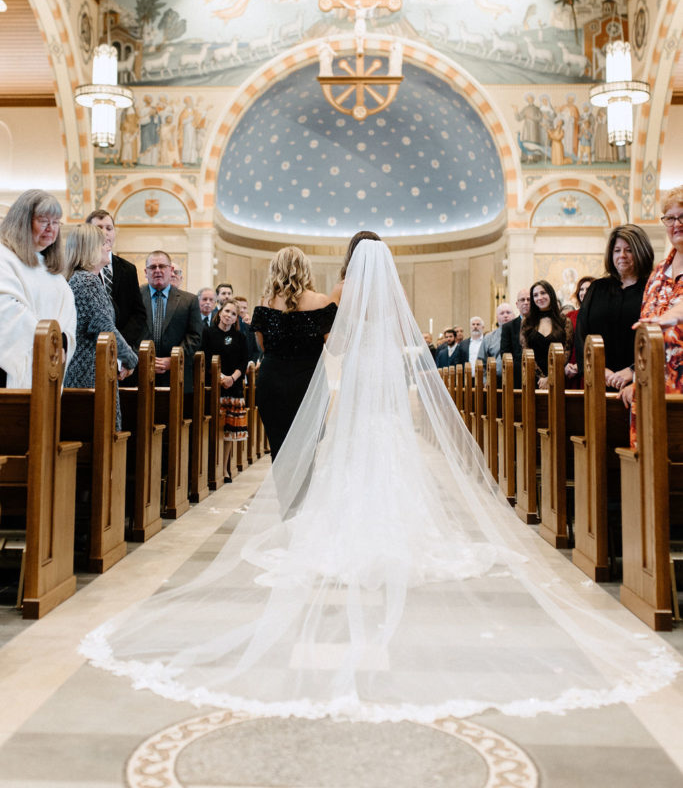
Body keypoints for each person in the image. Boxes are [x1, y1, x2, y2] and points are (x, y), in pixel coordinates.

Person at [81, 235, 680, 723]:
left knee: (349, 452)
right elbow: (402, 344)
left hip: (350, 384)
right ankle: (399, 526)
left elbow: (333, 347)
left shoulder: (337, 301)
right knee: (388, 450)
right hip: (385, 389)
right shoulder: (375, 303)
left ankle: (338, 525)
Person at [251, 246, 336, 462]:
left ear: (275, 270)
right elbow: (334, 346)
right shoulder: (321, 301)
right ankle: (304, 494)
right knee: (308, 449)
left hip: (272, 382)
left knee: (279, 449)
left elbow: (262, 347)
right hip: (308, 383)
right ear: (305, 270)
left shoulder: (264, 303)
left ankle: (286, 496)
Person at [619, 186, 683, 425]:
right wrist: (637, 378)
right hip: (652, 387)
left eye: (682, 216)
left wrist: (671, 317)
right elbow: (645, 336)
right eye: (670, 218)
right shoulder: (657, 274)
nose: (676, 223)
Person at [63, 224, 137, 430]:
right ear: (89, 248)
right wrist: (130, 358)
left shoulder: (85, 279)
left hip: (91, 369)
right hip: (88, 372)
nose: (108, 247)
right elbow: (104, 327)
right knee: (99, 435)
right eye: (103, 243)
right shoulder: (87, 281)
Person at [0, 189, 76, 388]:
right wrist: (50, 342)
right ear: (22, 221)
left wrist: (60, 342)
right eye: (43, 221)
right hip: (8, 373)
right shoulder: (5, 258)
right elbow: (8, 311)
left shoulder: (53, 273)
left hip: (49, 369)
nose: (51, 228)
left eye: (56, 222)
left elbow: (68, 317)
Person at [576, 226, 654, 391]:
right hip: (599, 380)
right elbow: (582, 335)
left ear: (641, 252)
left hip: (641, 382)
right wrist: (599, 370)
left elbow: (658, 337)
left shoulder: (652, 288)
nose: (622, 256)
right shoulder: (597, 288)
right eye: (617, 250)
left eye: (629, 250)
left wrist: (633, 371)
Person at [139, 250, 203, 389]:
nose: (157, 270)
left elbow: (194, 336)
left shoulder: (189, 300)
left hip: (177, 376)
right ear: (146, 271)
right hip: (139, 374)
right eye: (152, 267)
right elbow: (126, 334)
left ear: (171, 270)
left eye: (162, 266)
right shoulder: (134, 297)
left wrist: (174, 360)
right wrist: (143, 360)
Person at [85, 209, 146, 350]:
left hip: (124, 346)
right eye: (99, 228)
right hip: (90, 346)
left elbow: (138, 313)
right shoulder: (81, 268)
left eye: (109, 228)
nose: (105, 232)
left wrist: (120, 343)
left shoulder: (128, 269)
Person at [202, 300, 248, 480]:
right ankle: (211, 468)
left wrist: (232, 378)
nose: (229, 315)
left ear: (237, 318)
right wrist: (221, 378)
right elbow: (204, 358)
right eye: (227, 311)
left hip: (233, 388)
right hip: (214, 385)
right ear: (220, 312)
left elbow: (243, 362)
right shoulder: (208, 333)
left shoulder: (240, 337)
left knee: (229, 432)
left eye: (233, 314)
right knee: (215, 429)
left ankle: (224, 468)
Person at [521, 280, 573, 389]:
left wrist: (551, 377)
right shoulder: (527, 322)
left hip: (559, 378)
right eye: (535, 295)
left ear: (551, 294)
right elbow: (526, 352)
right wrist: (541, 378)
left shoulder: (564, 321)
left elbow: (566, 352)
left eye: (543, 293)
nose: (539, 297)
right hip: (534, 380)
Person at [564, 275, 595, 387]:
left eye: (588, 289)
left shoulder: (601, 316)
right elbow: (565, 344)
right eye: (581, 289)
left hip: (593, 368)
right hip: (570, 370)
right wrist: (565, 365)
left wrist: (580, 365)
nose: (584, 292)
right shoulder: (570, 316)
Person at [499, 287, 530, 387]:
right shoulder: (508, 327)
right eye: (522, 300)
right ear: (517, 304)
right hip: (517, 377)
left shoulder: (541, 323)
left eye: (529, 299)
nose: (526, 302)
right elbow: (505, 353)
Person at [484, 301, 515, 377]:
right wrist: (484, 380)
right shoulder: (489, 337)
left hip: (517, 378)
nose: (505, 315)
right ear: (497, 318)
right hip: (495, 379)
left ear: (514, 316)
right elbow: (482, 361)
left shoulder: (521, 334)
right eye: (502, 313)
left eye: (508, 312)